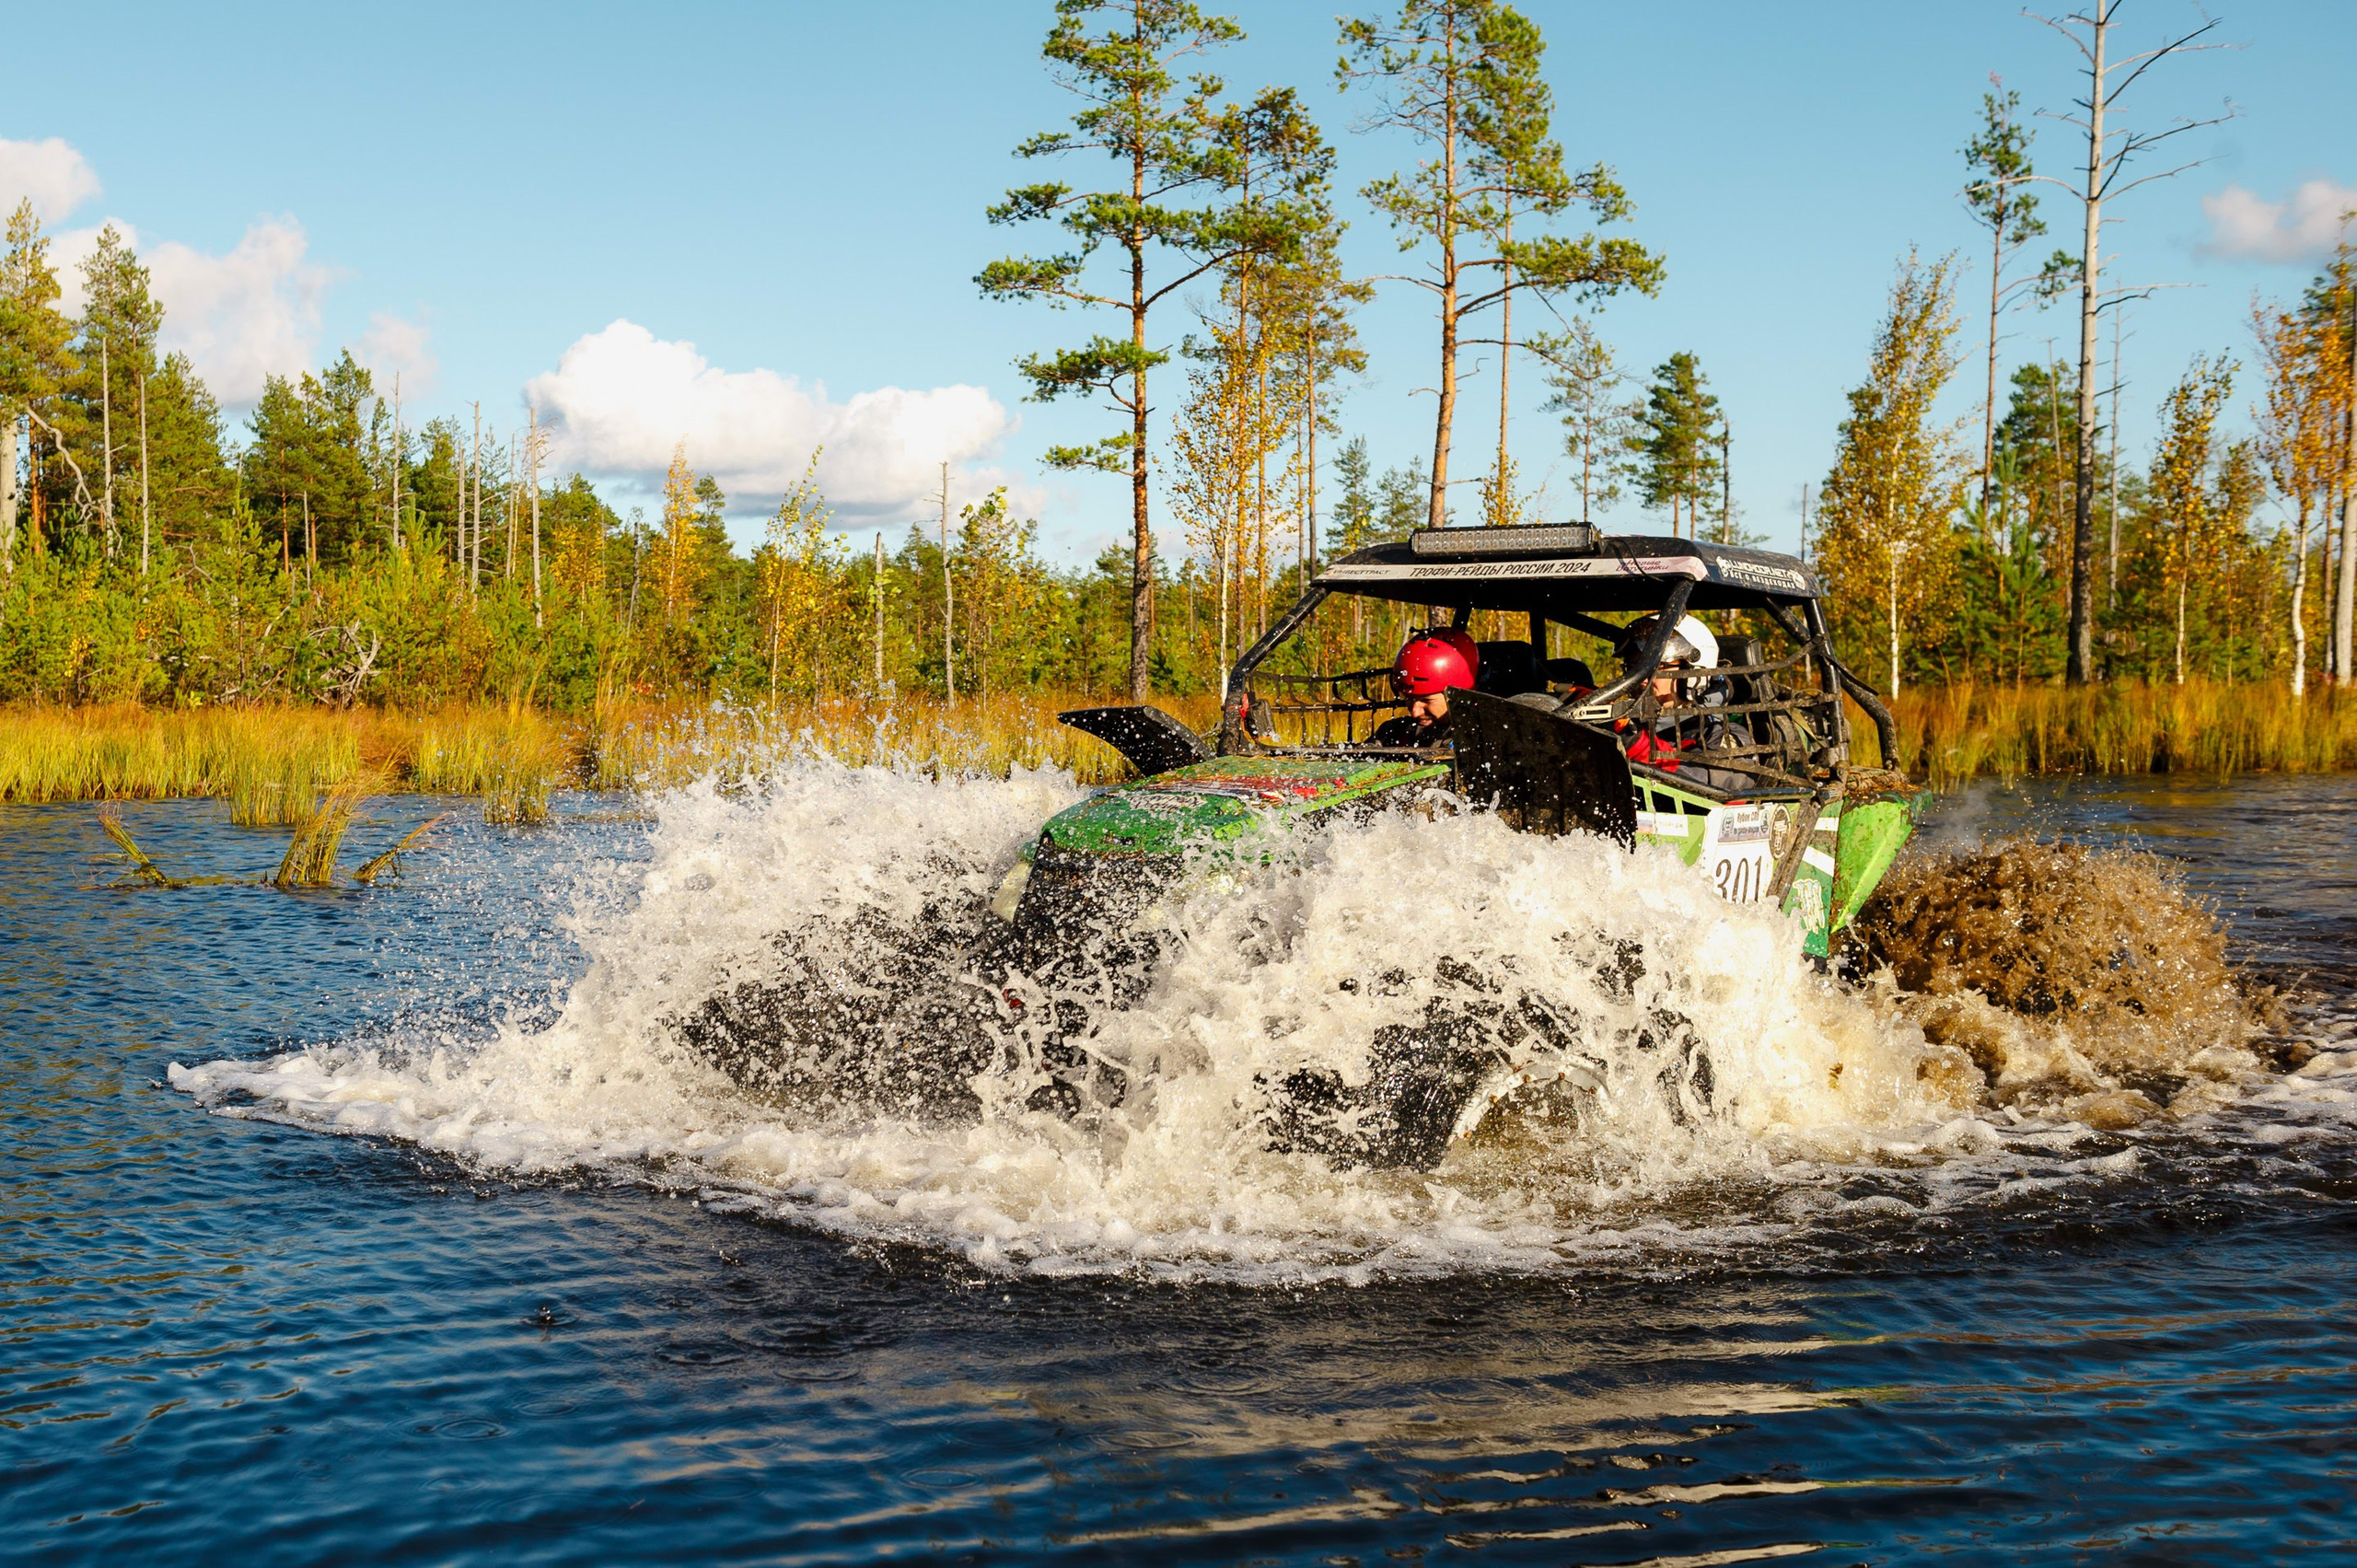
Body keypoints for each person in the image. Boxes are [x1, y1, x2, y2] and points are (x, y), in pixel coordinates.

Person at [1612, 613, 1747, 791]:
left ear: (1692, 675)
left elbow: (1705, 784)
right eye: (1634, 668)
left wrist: (1632, 740)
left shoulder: (1722, 735)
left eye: (1656, 667)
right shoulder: (1630, 725)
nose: (1641, 679)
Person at [1370, 628, 1477, 747]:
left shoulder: (1477, 742)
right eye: (1408, 698)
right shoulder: (1391, 733)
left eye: (1427, 700)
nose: (1415, 712)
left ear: (1458, 697)